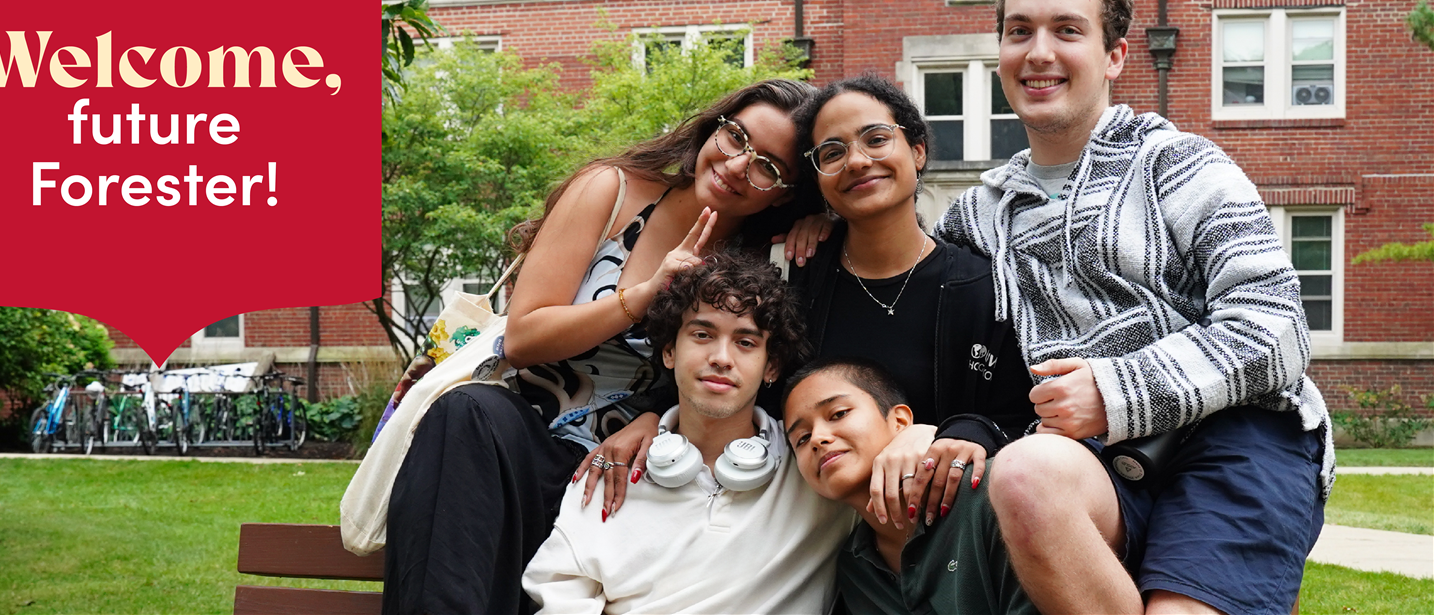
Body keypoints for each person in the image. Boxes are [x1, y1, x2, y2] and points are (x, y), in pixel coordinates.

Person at [936, 0, 1332, 615]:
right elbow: (897, 276)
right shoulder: (978, 214)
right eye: (1019, 30)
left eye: (1067, 30)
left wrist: (1117, 390)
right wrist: (813, 220)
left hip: (1236, 438)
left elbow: (1278, 328)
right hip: (1097, 465)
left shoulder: (1180, 165)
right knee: (1024, 474)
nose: (1039, 53)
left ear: (1115, 54)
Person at [380, 78, 816, 615]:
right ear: (713, 128)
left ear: (787, 192)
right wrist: (645, 293)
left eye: (767, 166)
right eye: (734, 137)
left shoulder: (761, 256)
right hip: (523, 436)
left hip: (637, 466)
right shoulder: (610, 191)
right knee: (467, 412)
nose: (735, 165)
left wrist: (655, 416)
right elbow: (523, 338)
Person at [579, 75, 1035, 536]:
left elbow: (1019, 418)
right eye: (832, 153)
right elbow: (725, 353)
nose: (856, 161)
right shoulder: (790, 271)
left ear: (916, 150)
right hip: (795, 529)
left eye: (876, 139)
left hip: (943, 537)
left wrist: (957, 431)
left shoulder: (983, 286)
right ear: (818, 180)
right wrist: (655, 413)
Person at [524, 252, 854, 614]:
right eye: (702, 334)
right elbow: (559, 599)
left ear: (771, 365)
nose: (721, 358)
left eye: (745, 342)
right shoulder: (609, 470)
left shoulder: (818, 465)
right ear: (669, 351)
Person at [783, 357, 1035, 615]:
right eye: (801, 439)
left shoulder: (986, 494)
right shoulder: (855, 568)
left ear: (900, 422)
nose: (818, 438)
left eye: (838, 414)